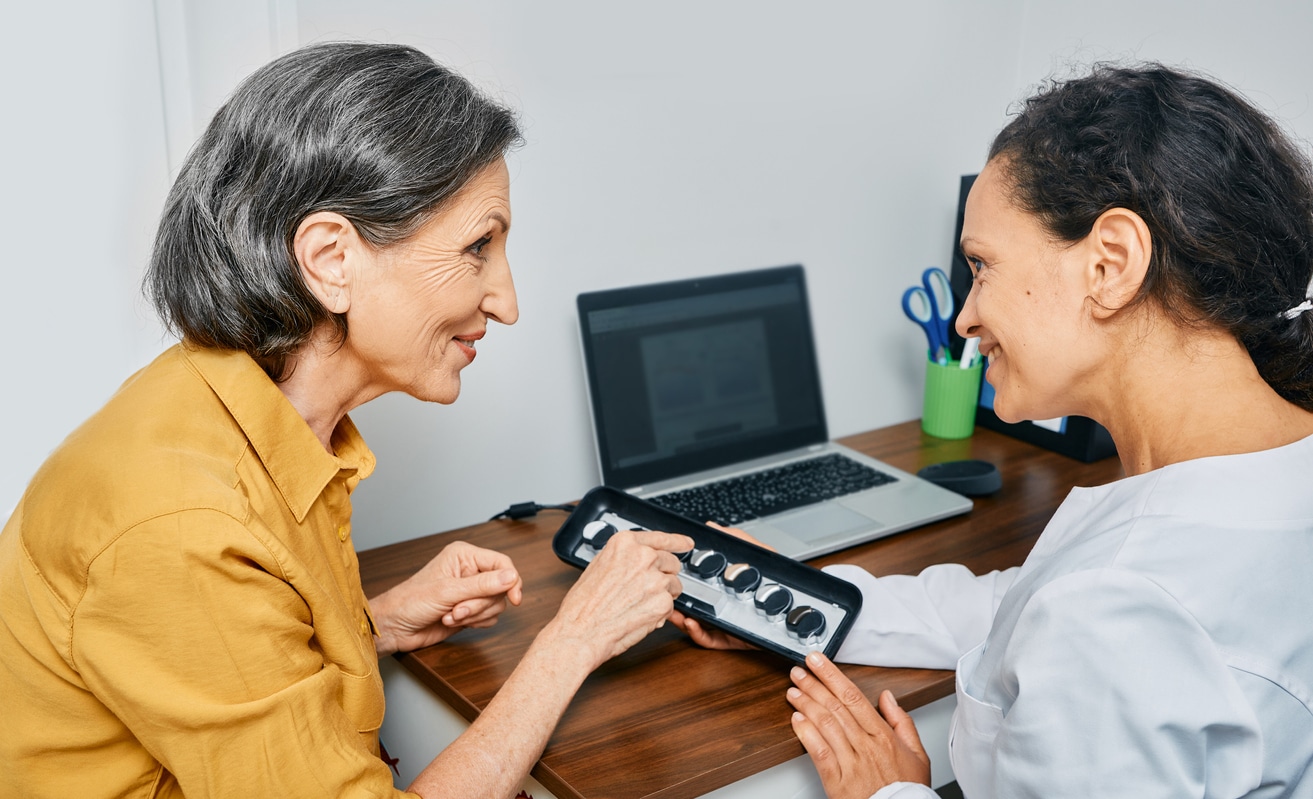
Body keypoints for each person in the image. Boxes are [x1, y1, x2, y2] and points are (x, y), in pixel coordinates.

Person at [0, 42, 692, 799]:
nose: (507, 301)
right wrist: (573, 641)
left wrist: (377, 622)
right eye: (477, 246)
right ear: (331, 259)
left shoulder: (232, 408)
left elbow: (222, 656)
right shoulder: (183, 522)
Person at [681, 63, 1313, 798]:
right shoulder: (1262, 475)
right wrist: (797, 601)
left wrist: (887, 792)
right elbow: (1015, 608)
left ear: (1111, 264)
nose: (964, 316)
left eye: (981, 266)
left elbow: (1078, 619)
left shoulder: (1116, 605)